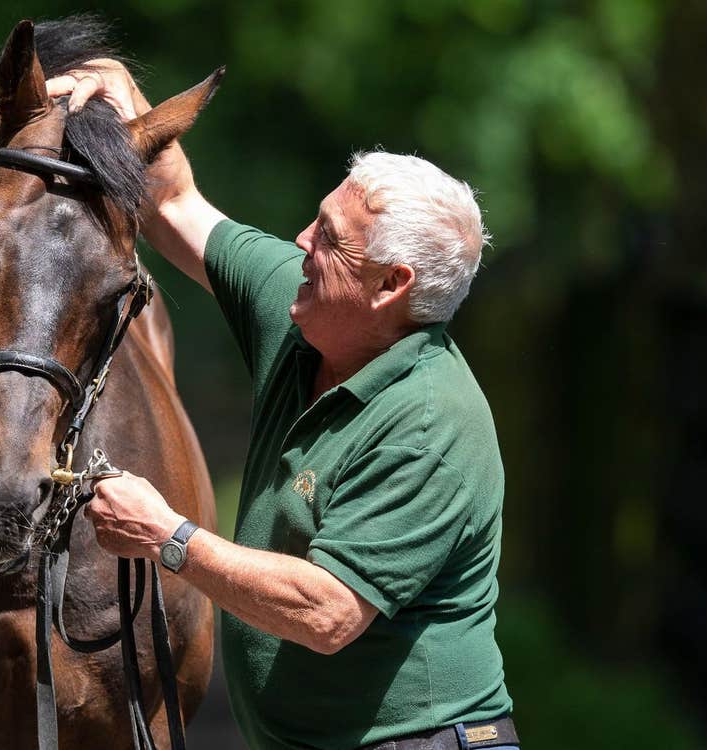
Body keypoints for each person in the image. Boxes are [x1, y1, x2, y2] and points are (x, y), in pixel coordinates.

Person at [47, 63, 519, 750]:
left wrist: (169, 538)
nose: (301, 240)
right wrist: (128, 102)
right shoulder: (306, 308)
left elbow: (327, 610)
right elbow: (176, 204)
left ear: (392, 285)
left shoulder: (427, 422)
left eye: (329, 237)